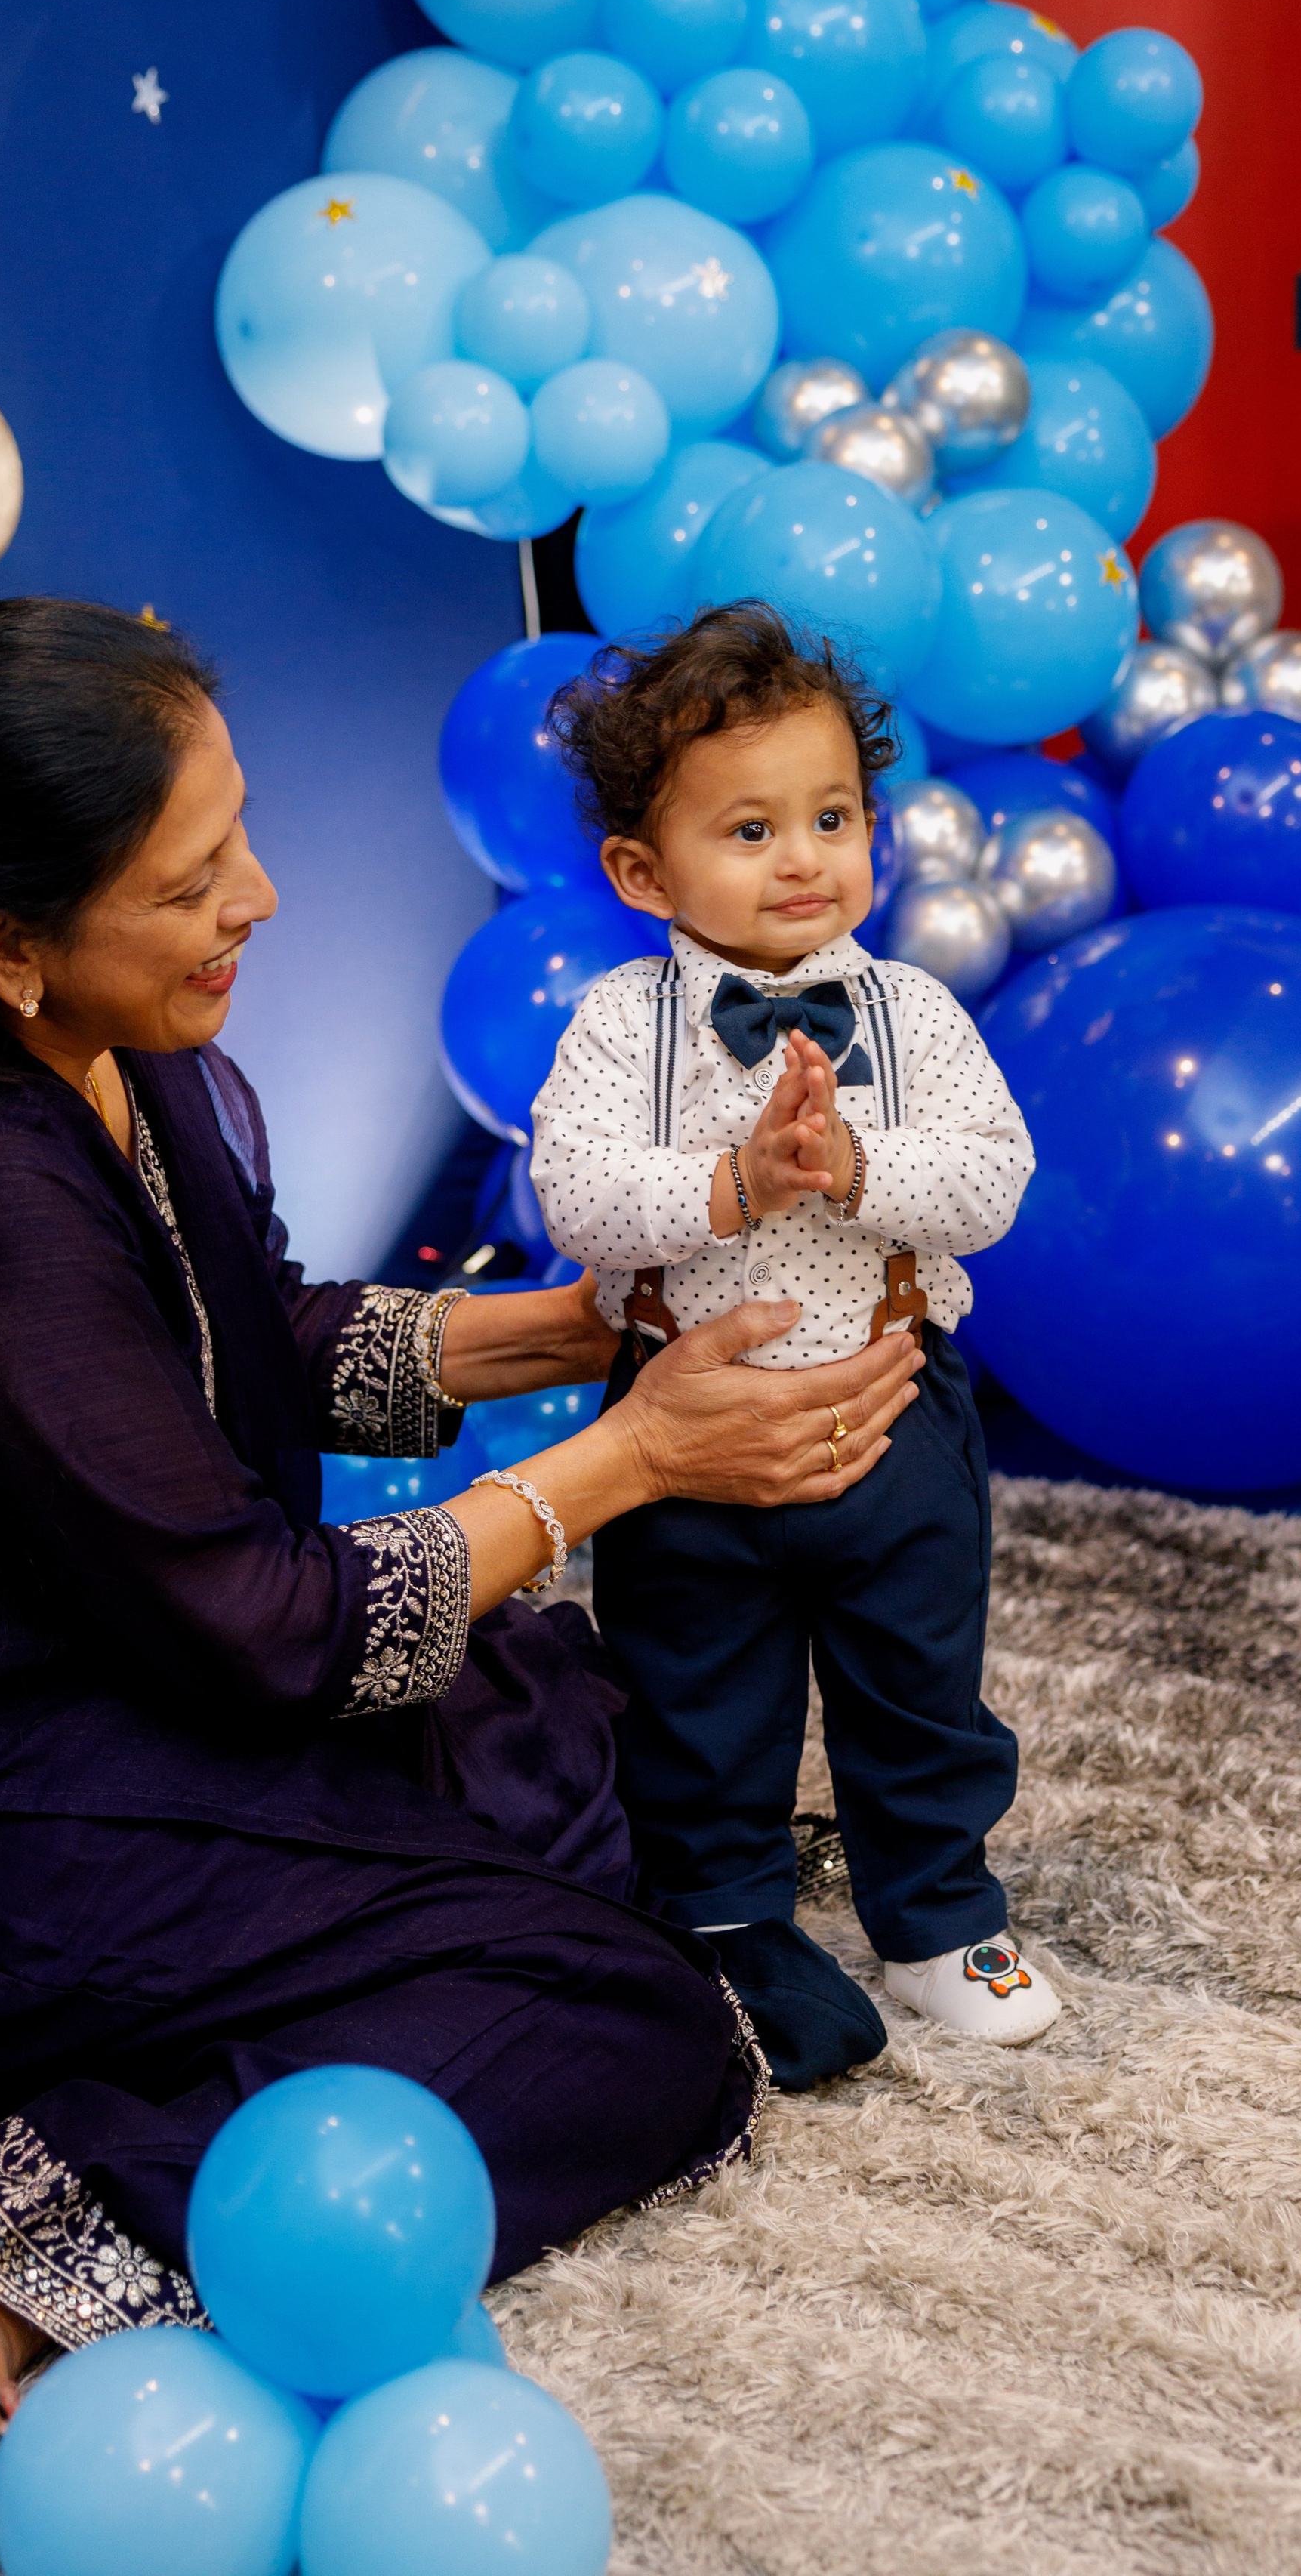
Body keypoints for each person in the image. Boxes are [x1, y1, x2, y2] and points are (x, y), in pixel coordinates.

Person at [0, 597, 920, 2538]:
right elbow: (277, 1626)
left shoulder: (103, 1053)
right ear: (0, 944)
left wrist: (580, 1329)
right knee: (627, 2024)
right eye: (196, 878)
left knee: (581, 1739)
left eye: (241, 837)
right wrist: (628, 1463)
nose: (264, 898)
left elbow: (259, 1344)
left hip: (123, 1684)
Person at [529, 605, 1059, 2087]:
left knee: (919, 1682)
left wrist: (852, 1167)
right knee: (693, 1691)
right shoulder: (616, 1024)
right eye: (749, 828)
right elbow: (571, 1192)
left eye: (831, 817)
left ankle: (936, 1913)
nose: (802, 858)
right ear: (643, 873)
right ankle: (718, 1911)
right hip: (686, 1443)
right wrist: (734, 1182)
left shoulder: (912, 1013)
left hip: (894, 1420)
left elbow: (993, 1186)